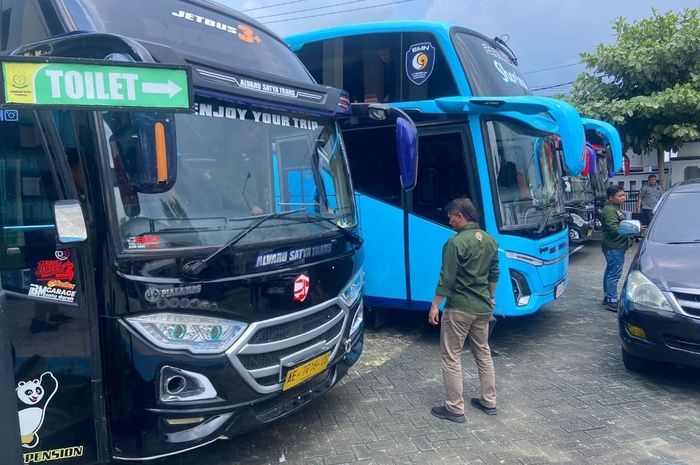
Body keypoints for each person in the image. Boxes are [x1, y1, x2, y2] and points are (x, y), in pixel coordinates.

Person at [428, 198, 500, 423]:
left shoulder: (455, 243)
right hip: (482, 308)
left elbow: (447, 278)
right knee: (483, 354)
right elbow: (494, 274)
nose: (449, 220)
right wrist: (490, 296)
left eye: (451, 216)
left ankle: (455, 408)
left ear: (461, 216)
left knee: (451, 357)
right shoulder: (490, 240)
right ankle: (489, 401)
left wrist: (435, 304)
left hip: (459, 308)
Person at [602, 185, 629, 311]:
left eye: (624, 195)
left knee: (610, 272)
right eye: (620, 195)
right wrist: (630, 231)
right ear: (611, 198)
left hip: (616, 246)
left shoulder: (615, 209)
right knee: (614, 274)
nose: (623, 197)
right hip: (614, 246)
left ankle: (608, 297)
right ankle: (612, 301)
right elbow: (613, 228)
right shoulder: (610, 210)